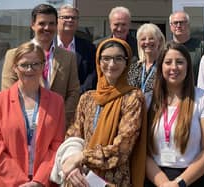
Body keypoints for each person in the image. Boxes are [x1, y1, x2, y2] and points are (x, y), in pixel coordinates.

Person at [52, 38, 147, 187]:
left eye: (118, 58)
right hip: (81, 178)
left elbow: (122, 148)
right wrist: (71, 163)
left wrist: (82, 156)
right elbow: (73, 135)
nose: (112, 64)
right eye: (106, 58)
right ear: (98, 61)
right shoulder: (87, 98)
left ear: (127, 62)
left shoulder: (132, 97)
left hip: (113, 181)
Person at [145, 41, 204, 187]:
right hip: (156, 179)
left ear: (187, 66)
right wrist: (163, 183)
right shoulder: (147, 100)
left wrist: (179, 183)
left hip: (193, 179)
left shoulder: (203, 98)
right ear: (160, 67)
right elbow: (143, 151)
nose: (174, 67)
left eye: (179, 62)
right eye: (168, 62)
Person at [0, 42, 65, 186]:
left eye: (35, 64)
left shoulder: (56, 102)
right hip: (7, 182)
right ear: (15, 67)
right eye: (24, 65)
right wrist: (20, 182)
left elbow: (57, 145)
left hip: (43, 182)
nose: (29, 69)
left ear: (43, 66)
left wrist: (38, 181)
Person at [1, 4, 80, 127]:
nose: (47, 28)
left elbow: (73, 92)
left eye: (51, 23)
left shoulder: (68, 57)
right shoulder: (13, 55)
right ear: (32, 25)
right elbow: (8, 91)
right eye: (42, 23)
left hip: (56, 126)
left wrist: (59, 118)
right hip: (22, 126)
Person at [57, 4, 97, 93]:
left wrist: (77, 94)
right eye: (66, 17)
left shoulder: (89, 48)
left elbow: (93, 74)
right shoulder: (48, 45)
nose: (70, 20)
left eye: (74, 18)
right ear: (57, 20)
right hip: (51, 100)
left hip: (79, 99)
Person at [128, 23, 165, 107]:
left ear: (159, 41)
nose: (147, 42)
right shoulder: (134, 67)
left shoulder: (165, 66)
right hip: (136, 112)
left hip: (158, 112)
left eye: (151, 38)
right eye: (143, 39)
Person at [169, 11, 204, 85]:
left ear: (188, 25)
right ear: (170, 26)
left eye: (182, 22)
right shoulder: (167, 48)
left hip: (196, 92)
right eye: (175, 23)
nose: (178, 25)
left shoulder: (201, 46)